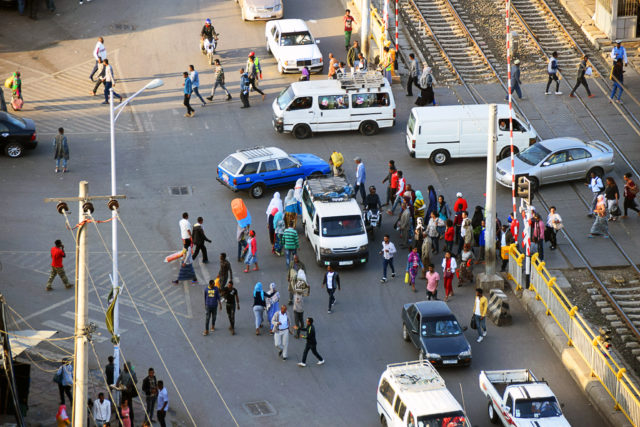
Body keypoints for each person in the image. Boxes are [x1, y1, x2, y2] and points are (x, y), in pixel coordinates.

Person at [292, 270, 308, 338]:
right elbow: (306, 292)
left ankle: (297, 334)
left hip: (296, 310)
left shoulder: (296, 295)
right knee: (301, 319)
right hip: (301, 310)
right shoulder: (302, 295)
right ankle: (303, 327)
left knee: (296, 323)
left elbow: (293, 287)